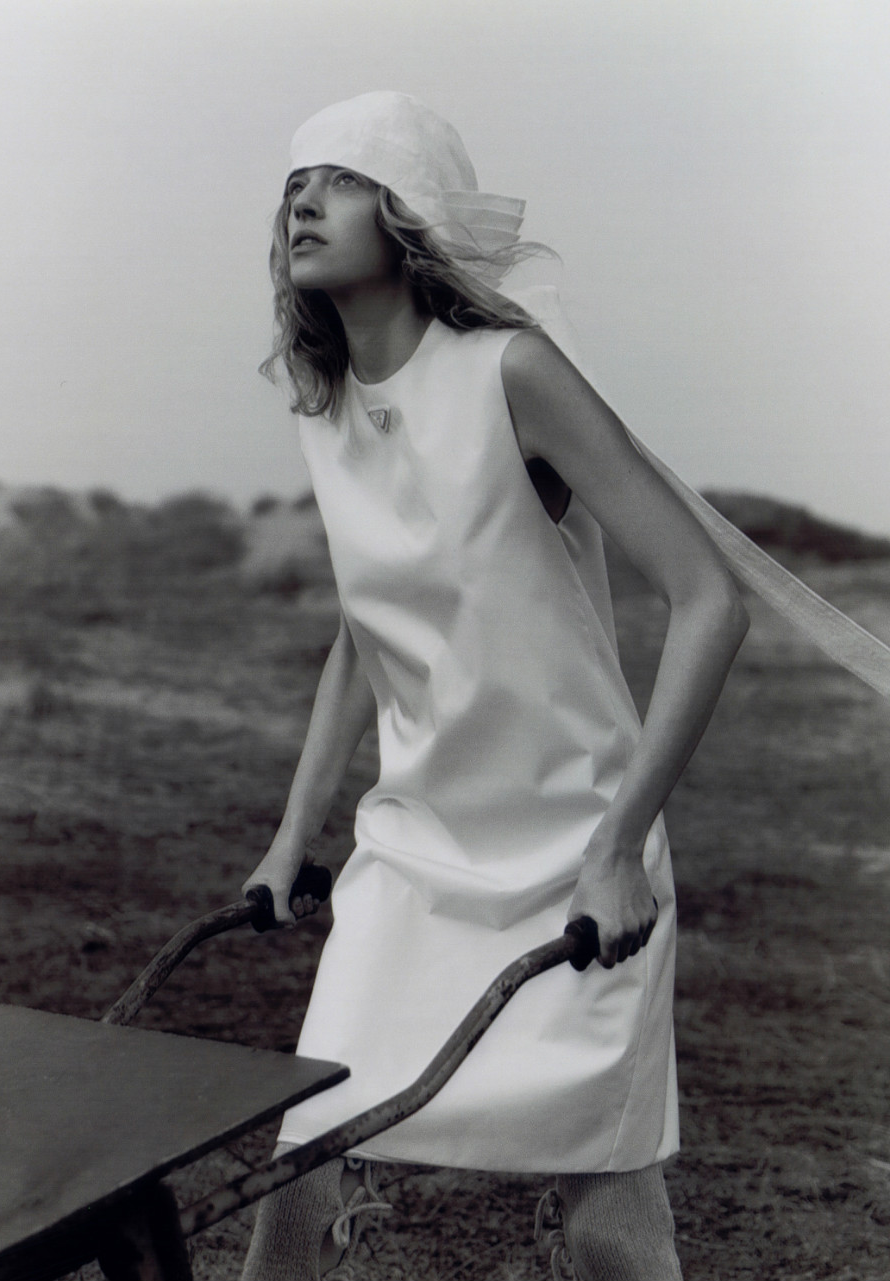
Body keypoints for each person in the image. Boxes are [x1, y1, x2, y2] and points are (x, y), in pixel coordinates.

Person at [240, 91, 751, 1281]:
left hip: (577, 848)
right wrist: (289, 841)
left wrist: (618, 849)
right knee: (305, 1157)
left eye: (343, 178)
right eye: (295, 181)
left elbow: (711, 599)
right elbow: (364, 635)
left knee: (605, 1216)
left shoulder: (512, 371)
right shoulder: (326, 405)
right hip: (413, 859)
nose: (304, 200)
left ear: (407, 213)